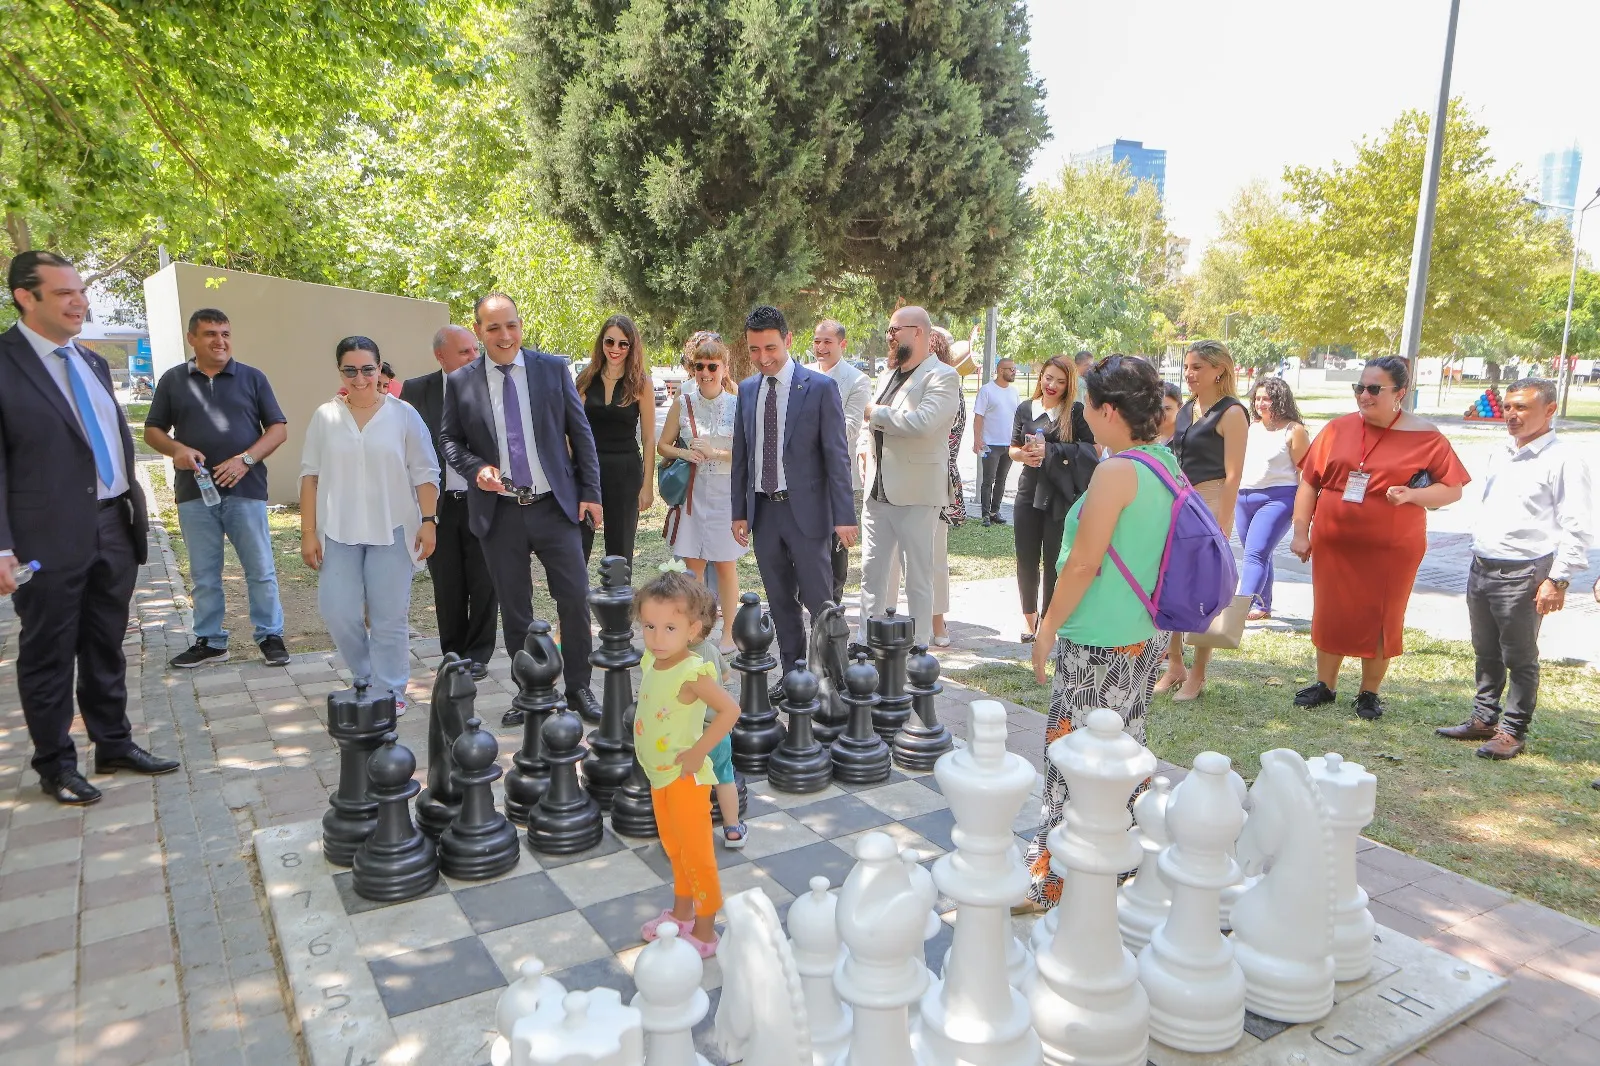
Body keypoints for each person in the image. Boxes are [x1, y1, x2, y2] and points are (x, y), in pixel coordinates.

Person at [1, 250, 178, 804]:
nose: (80, 302)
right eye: (64, 293)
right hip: (43, 541)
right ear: (25, 298)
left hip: (112, 527)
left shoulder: (93, 362)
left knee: (106, 645)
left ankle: (114, 743)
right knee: (49, 652)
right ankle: (55, 763)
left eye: (80, 290)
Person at [1016, 355, 1176, 912]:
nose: (1082, 411)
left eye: (1087, 402)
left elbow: (1082, 565)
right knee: (1123, 752)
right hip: (1141, 633)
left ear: (1109, 410)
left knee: (1071, 762)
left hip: (1096, 641)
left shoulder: (1116, 472)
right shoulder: (1163, 464)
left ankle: (1053, 882)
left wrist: (1046, 630)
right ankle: (1112, 867)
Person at [439, 293, 605, 720]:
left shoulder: (551, 369)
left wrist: (591, 493)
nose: (504, 335)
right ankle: (530, 693)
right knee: (515, 609)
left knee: (574, 598)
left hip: (555, 507)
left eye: (510, 325)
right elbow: (449, 441)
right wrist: (476, 469)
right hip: (500, 512)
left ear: (520, 325)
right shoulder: (462, 381)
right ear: (478, 330)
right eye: (493, 328)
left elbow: (580, 433)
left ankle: (579, 688)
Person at [1290, 356, 1470, 720]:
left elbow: (1452, 489)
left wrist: (1412, 495)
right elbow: (1310, 481)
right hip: (1334, 542)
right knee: (1330, 611)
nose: (1364, 396)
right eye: (1360, 388)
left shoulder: (1426, 436)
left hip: (1391, 548)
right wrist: (1300, 531)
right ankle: (1325, 684)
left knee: (1382, 615)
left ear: (1400, 393)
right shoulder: (1336, 430)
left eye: (1374, 389)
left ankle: (1369, 693)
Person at [1436, 378, 1593, 760]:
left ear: (1550, 410)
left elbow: (1578, 526)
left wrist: (1557, 579)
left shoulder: (1564, 460)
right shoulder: (1501, 452)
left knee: (1519, 656)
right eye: (1507, 406)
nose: (1511, 415)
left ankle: (1512, 731)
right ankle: (1484, 719)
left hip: (1525, 573)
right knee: (1485, 650)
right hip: (1483, 565)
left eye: (1522, 407)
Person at [145, 308, 291, 669]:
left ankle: (270, 636)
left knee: (260, 568)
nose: (220, 341)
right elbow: (152, 431)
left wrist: (246, 460)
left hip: (246, 489)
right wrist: (177, 450)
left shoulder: (252, 378)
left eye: (225, 333)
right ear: (192, 339)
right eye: (210, 334)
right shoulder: (173, 380)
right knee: (205, 573)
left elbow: (277, 429)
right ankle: (210, 641)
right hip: (195, 493)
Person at [300, 337, 438, 713]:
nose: (360, 378)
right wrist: (308, 532)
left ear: (380, 370)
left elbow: (425, 472)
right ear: (340, 371)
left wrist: (429, 521)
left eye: (367, 369)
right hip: (338, 530)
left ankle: (390, 691)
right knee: (337, 611)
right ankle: (365, 678)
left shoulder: (404, 415)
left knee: (388, 617)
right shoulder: (325, 417)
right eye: (350, 370)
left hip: (393, 528)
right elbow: (309, 476)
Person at [731, 306, 856, 677]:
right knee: (781, 604)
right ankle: (793, 677)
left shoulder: (820, 388)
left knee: (821, 603)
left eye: (770, 348)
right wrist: (739, 511)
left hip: (808, 514)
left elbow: (837, 457)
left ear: (787, 340)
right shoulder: (747, 389)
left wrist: (844, 516)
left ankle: (832, 682)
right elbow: (742, 456)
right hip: (764, 514)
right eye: (754, 350)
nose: (763, 358)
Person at [632, 566, 742, 957]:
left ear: (694, 631)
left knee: (697, 853)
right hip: (659, 775)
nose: (657, 638)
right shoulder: (650, 661)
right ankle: (681, 913)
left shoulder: (692, 673)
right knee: (674, 847)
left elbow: (730, 711)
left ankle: (707, 929)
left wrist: (698, 752)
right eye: (649, 626)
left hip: (685, 778)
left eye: (670, 629)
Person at [856, 306, 960, 646]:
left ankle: (919, 646)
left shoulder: (943, 376)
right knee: (871, 574)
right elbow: (866, 423)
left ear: (919, 333)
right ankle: (866, 641)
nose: (890, 336)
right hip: (877, 491)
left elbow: (923, 423)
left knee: (918, 576)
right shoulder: (887, 375)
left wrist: (874, 413)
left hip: (916, 493)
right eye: (889, 330)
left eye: (895, 330)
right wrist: (862, 447)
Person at [401, 325, 498, 681]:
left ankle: (480, 653)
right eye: (465, 352)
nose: (474, 357)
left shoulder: (491, 386)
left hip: (482, 500)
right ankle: (454, 652)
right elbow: (406, 445)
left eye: (475, 351)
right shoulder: (417, 390)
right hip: (438, 506)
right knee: (447, 582)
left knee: (485, 580)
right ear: (440, 356)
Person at [1157, 339, 1249, 701]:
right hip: (1181, 501)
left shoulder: (1232, 413)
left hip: (1211, 501)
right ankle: (1175, 664)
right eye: (1188, 367)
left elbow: (1233, 476)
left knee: (1205, 588)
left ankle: (1198, 673)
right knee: (1174, 582)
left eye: (1197, 367)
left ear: (1219, 369)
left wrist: (1222, 526)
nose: (1190, 374)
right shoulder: (1188, 409)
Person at [660, 332, 745, 649]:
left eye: (712, 366)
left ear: (724, 368)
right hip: (693, 497)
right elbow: (663, 446)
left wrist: (715, 453)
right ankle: (694, 636)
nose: (706, 373)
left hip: (725, 496)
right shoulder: (683, 403)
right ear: (692, 369)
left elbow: (746, 456)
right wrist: (685, 453)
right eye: (700, 366)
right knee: (692, 568)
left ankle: (728, 635)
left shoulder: (737, 405)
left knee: (725, 565)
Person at [1010, 354, 1096, 644]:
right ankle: (1028, 618)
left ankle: (1048, 619)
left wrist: (1053, 451)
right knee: (1026, 557)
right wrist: (1023, 454)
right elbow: (1012, 448)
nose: (1052, 385)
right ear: (1040, 376)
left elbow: (1092, 450)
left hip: (1060, 495)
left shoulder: (1075, 412)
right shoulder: (1025, 408)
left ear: (1069, 384)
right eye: (1048, 378)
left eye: (1060, 381)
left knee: (1054, 559)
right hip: (1028, 491)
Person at [578, 314, 655, 562]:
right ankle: (575, 601)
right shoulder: (585, 380)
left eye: (623, 344)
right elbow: (570, 430)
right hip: (587, 469)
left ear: (632, 347)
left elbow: (649, 438)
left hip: (625, 470)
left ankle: (619, 601)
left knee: (620, 551)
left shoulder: (641, 384)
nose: (615, 349)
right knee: (578, 547)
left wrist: (647, 485)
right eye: (610, 342)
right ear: (602, 342)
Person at [1236, 377, 1311, 621]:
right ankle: (1263, 604)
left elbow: (1306, 473)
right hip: (1244, 497)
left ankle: (1238, 609)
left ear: (1280, 399)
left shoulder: (1294, 430)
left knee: (1254, 554)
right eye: (1257, 398)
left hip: (1278, 498)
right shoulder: (1250, 426)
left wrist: (1303, 512)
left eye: (1266, 398)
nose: (1260, 403)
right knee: (1256, 552)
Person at [812, 319, 871, 602]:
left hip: (836, 478)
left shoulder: (857, 381)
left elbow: (849, 429)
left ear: (842, 345)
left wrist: (805, 429)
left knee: (836, 549)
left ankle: (833, 610)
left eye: (827, 342)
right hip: (801, 478)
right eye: (817, 342)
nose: (820, 348)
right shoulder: (802, 374)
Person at [686, 585, 744, 847]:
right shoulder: (710, 649)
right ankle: (733, 829)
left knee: (692, 788)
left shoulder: (672, 659)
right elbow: (726, 676)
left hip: (689, 736)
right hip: (718, 731)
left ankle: (695, 834)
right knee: (725, 778)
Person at [973, 357, 1021, 525]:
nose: (1014, 372)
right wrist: (977, 439)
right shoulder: (987, 390)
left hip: (1008, 444)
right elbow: (978, 417)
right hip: (990, 444)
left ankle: (995, 511)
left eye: (1014, 369)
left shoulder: (1014, 392)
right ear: (1001, 371)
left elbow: (1018, 417)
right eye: (1011, 369)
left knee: (1001, 480)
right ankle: (985, 514)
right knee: (988, 480)